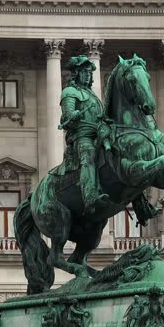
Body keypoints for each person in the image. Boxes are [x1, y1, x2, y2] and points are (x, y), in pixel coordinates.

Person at [58, 55, 109, 214]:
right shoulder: (69, 92)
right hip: (83, 136)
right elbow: (67, 118)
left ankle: (141, 204)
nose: (87, 75)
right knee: (88, 155)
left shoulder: (93, 96)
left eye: (89, 72)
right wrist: (72, 116)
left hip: (99, 134)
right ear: (76, 73)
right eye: (84, 71)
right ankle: (90, 197)